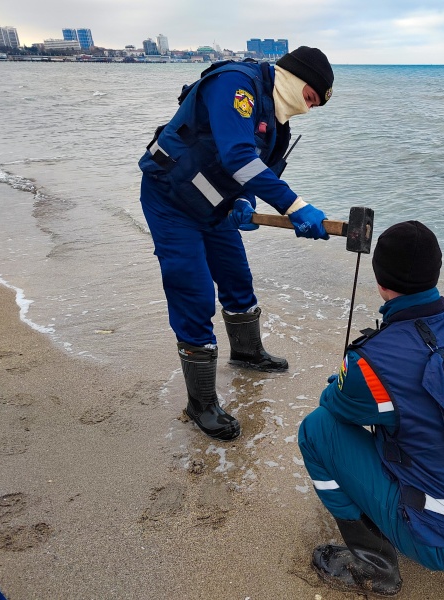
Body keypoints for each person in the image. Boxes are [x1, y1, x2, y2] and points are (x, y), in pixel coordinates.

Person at [298, 221, 444, 596]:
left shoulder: (372, 360)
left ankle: (375, 564)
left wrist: (342, 377)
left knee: (316, 428)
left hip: (437, 541)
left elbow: (336, 408)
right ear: (437, 271)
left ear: (380, 280)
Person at [138, 46, 334, 441]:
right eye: (310, 99)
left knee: (237, 280)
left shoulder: (279, 127)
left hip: (217, 207)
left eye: (315, 106)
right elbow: (239, 156)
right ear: (297, 79)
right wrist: (295, 206)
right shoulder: (234, 84)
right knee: (192, 291)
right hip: (171, 198)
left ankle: (246, 353)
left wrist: (245, 202)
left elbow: (257, 172)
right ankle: (201, 403)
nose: (307, 109)